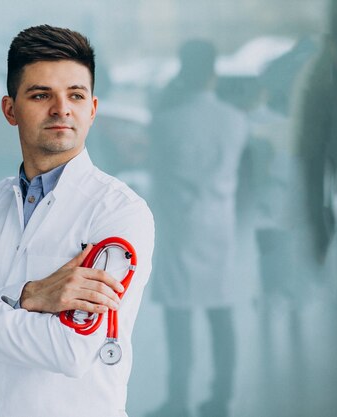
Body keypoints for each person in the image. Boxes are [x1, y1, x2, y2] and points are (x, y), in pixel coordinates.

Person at [0, 25, 154, 417]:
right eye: (41, 94)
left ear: (92, 109)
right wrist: (32, 295)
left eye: (75, 95)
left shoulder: (119, 212)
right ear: (10, 109)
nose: (61, 108)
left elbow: (69, 349)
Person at [147, 39, 247, 417]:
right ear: (213, 72)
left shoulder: (166, 120)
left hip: (180, 225)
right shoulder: (234, 121)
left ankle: (178, 401)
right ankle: (221, 398)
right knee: (221, 311)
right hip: (219, 225)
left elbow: (157, 169)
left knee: (179, 313)